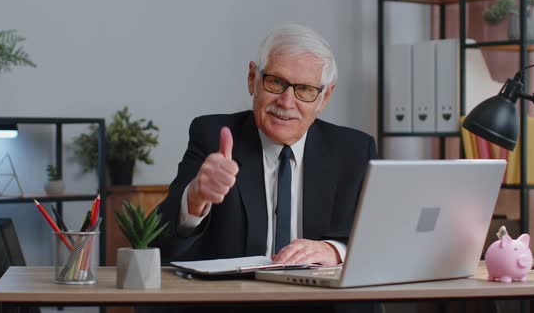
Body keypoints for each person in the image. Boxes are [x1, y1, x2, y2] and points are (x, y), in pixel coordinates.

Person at [154, 24, 377, 270]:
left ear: (325, 97)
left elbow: (381, 238)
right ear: (253, 79)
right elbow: (159, 245)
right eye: (276, 82)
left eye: (305, 89)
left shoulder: (353, 150)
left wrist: (334, 250)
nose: (286, 101)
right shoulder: (211, 137)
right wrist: (195, 198)